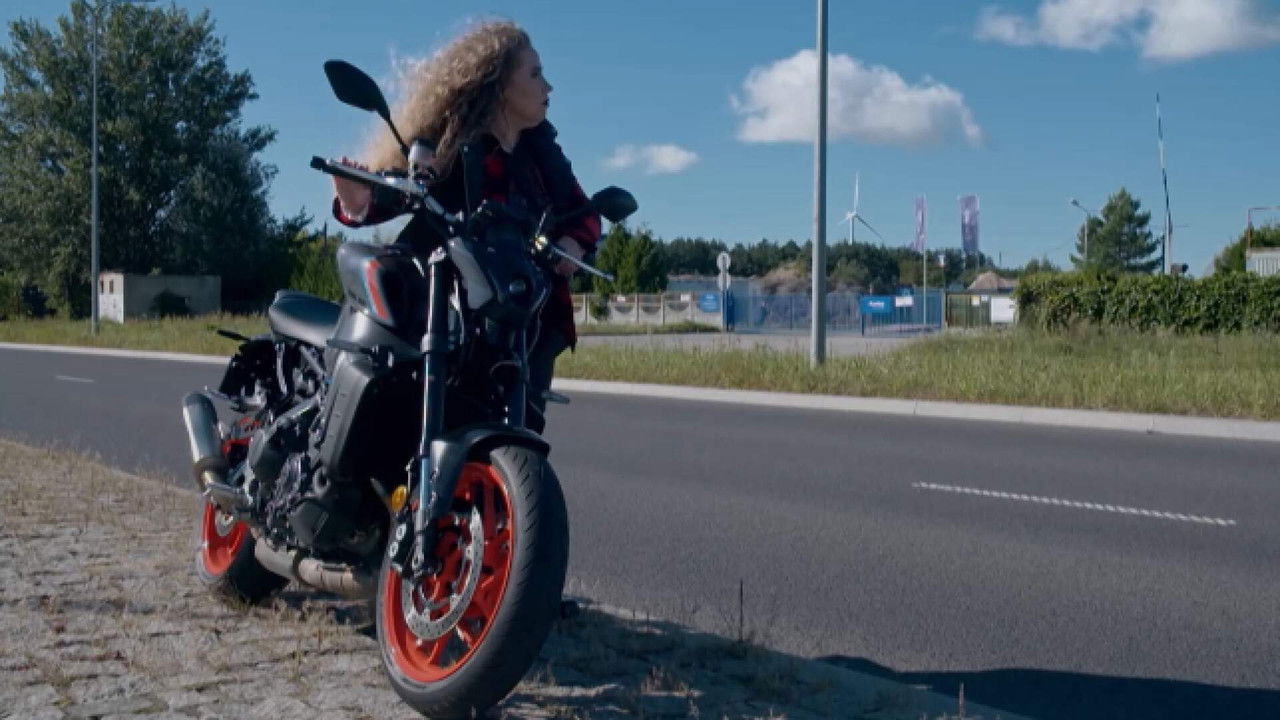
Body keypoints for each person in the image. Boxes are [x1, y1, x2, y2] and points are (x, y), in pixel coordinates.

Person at [330, 20, 600, 433]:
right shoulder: (452, 144)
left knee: (523, 434)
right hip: (444, 314)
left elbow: (584, 213)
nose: (548, 86)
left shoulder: (543, 158)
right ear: (500, 85)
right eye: (535, 74)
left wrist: (574, 243)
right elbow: (395, 192)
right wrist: (358, 199)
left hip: (521, 321)